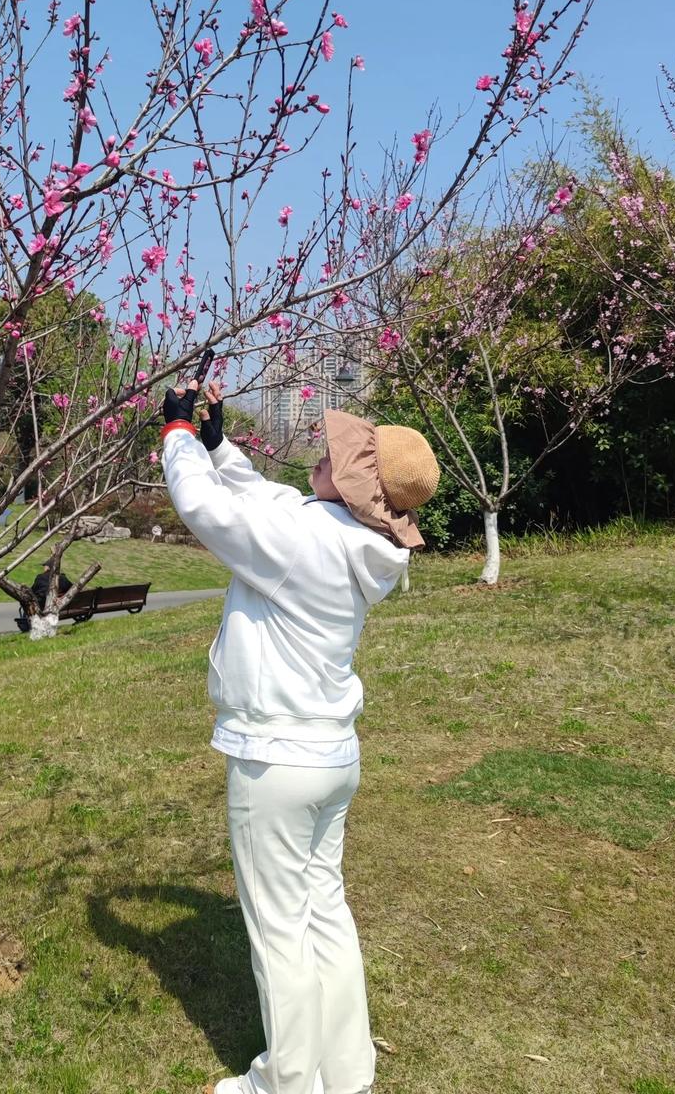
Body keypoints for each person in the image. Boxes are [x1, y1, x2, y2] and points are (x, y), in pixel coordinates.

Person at [160, 379, 439, 1094]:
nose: (322, 455)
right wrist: (219, 440)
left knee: (280, 930)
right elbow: (268, 500)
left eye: (337, 456)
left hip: (275, 761)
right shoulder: (348, 536)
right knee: (322, 913)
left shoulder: (304, 541)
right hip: (330, 756)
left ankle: (282, 1084)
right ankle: (345, 1074)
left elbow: (207, 510)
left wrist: (179, 435)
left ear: (348, 484)